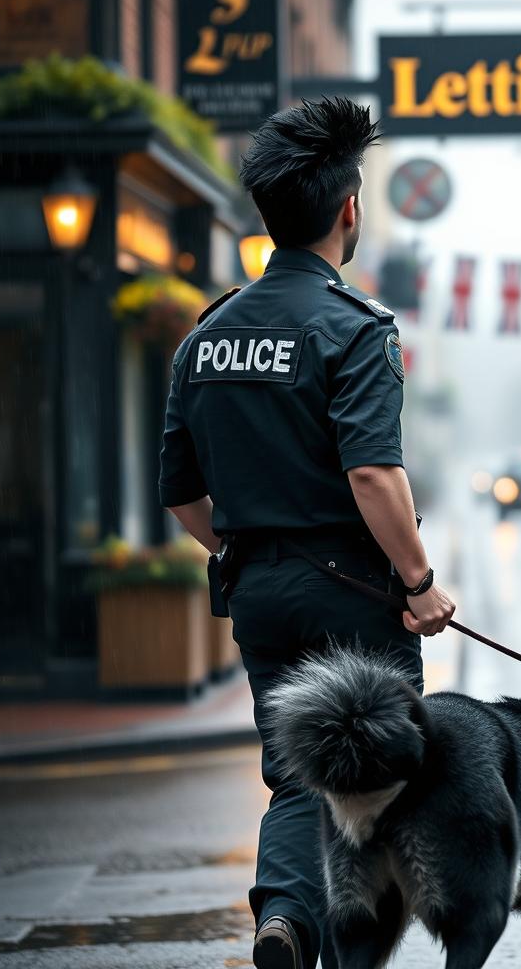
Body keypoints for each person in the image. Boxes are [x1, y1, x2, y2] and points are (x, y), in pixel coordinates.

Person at [158, 96, 456, 969]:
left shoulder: (204, 339)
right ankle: (348, 949)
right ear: (349, 211)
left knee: (297, 774)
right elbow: (372, 473)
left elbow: (180, 499)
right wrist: (417, 580)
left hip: (257, 592)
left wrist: (253, 553)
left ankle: (285, 917)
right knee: (379, 782)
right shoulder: (355, 328)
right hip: (355, 597)